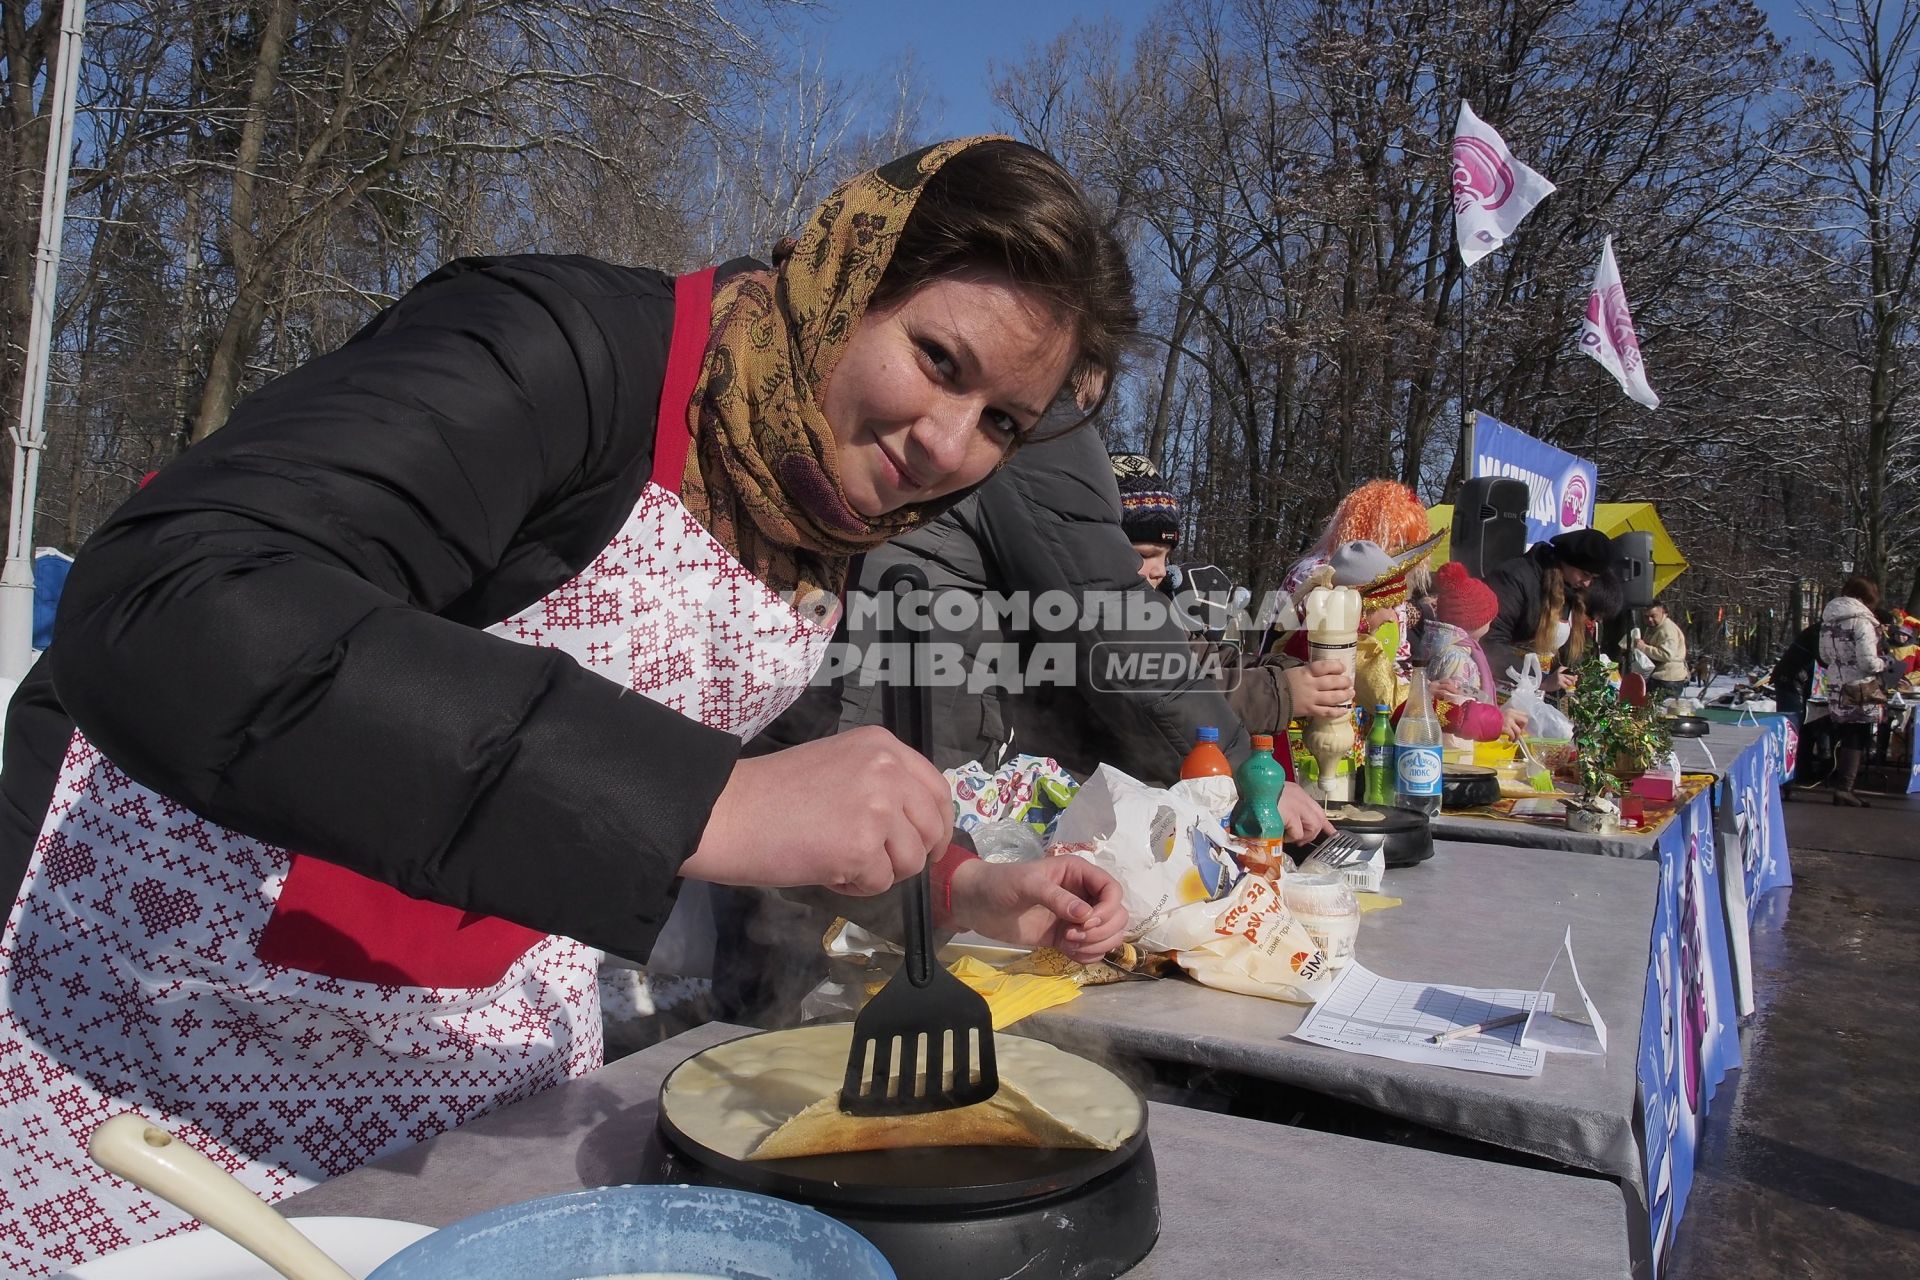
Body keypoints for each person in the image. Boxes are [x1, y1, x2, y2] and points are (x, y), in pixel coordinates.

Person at [0, 138, 1139, 1275]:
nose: (948, 444)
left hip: (461, 1075)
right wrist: (700, 803)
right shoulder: (554, 348)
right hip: (156, 1020)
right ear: (845, 273)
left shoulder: (820, 509)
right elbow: (173, 597)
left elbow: (765, 761)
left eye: (1001, 421)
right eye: (939, 359)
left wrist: (956, 883)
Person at [1481, 528, 1617, 692]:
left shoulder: (1570, 590)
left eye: (1593, 578)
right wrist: (1540, 679)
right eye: (1585, 574)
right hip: (1498, 684)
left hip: (1532, 688)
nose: (1587, 583)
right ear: (1567, 561)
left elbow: (1564, 650)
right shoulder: (1514, 578)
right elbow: (1490, 642)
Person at [1420, 562, 1529, 742]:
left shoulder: (1457, 649)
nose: (1492, 621)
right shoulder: (1456, 658)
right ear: (1475, 622)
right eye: (1489, 616)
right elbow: (1455, 705)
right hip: (1457, 746)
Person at [1820, 574, 1889, 807]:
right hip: (1860, 686)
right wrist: (1885, 663)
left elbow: (1823, 655)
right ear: (1864, 599)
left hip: (1837, 685)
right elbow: (1868, 662)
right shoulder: (1862, 622)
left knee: (1844, 733)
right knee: (1856, 736)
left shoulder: (1829, 619)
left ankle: (1840, 783)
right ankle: (1845, 788)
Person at [1637, 599, 1689, 700]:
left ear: (1663, 613)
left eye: (1653, 616)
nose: (1650, 619)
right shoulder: (1653, 628)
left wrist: (1643, 647)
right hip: (1660, 678)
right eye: (1646, 617)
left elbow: (1667, 655)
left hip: (1668, 680)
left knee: (1660, 712)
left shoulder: (1667, 629)